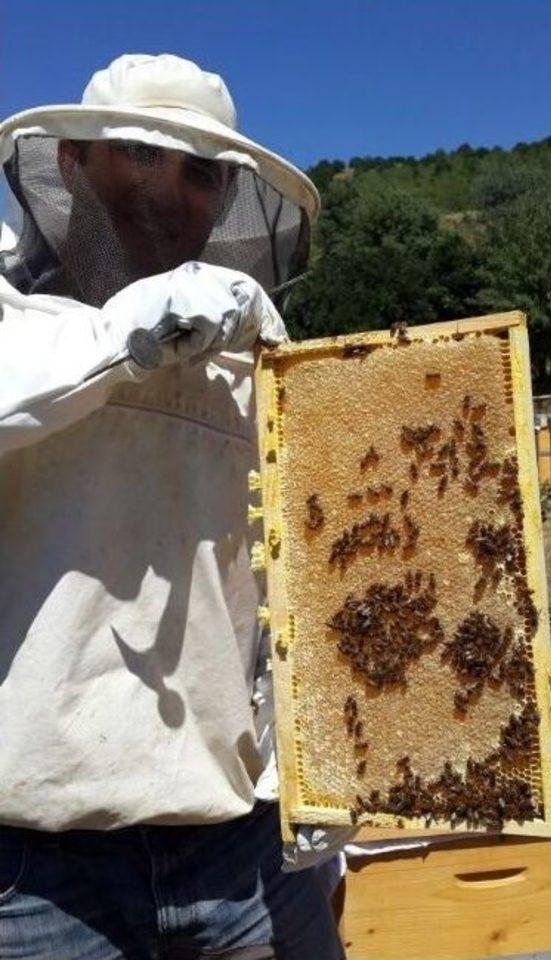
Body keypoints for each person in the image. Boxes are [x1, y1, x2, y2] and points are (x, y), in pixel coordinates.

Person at [0, 53, 345, 960]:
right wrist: (129, 338)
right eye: (143, 157)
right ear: (71, 162)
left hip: (243, 851)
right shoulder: (14, 322)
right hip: (39, 879)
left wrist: (329, 763)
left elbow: (293, 587)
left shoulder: (248, 360)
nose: (173, 192)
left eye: (203, 174)